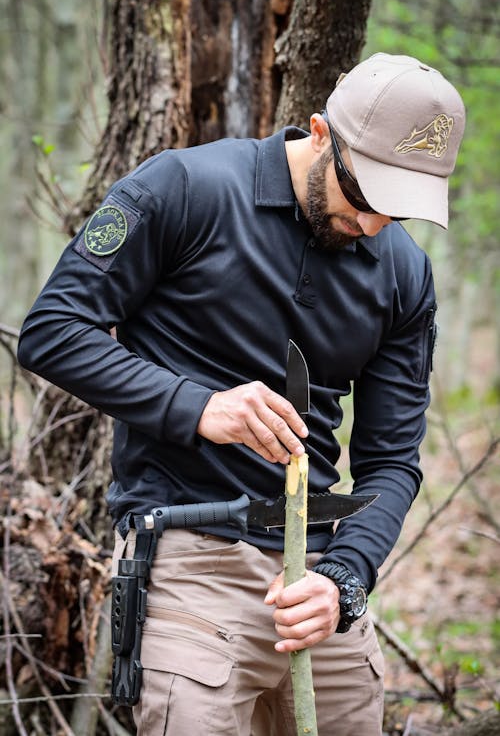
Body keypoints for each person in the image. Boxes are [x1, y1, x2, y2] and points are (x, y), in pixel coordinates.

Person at [17, 53, 465, 735]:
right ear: (321, 132)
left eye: (398, 208)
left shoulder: (404, 276)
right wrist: (200, 407)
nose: (375, 224)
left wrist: (343, 580)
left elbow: (392, 464)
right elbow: (52, 331)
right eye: (366, 194)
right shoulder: (184, 188)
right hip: (186, 558)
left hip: (314, 582)